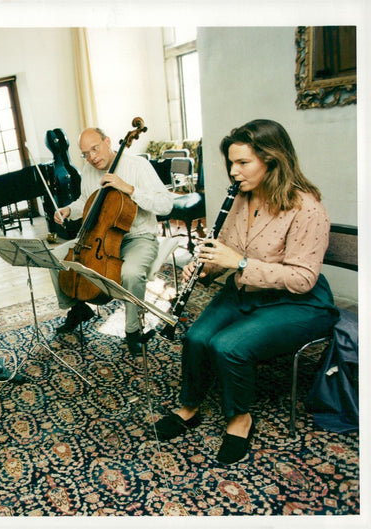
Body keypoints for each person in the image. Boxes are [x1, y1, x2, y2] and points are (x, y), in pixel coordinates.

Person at [153, 119, 339, 464]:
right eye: (231, 163)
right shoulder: (241, 197)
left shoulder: (307, 207)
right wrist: (206, 268)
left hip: (297, 302)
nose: (233, 172)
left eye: (243, 163)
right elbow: (227, 251)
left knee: (229, 346)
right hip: (245, 291)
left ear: (272, 159)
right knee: (196, 337)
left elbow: (302, 279)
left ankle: (240, 419)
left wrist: (239, 263)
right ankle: (189, 407)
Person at [51, 127, 174, 355]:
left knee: (131, 273)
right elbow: (85, 202)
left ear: (107, 141)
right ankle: (78, 309)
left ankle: (133, 330)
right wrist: (69, 209)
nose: (92, 157)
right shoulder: (88, 170)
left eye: (95, 149)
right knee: (56, 258)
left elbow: (166, 204)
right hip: (98, 237)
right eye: (85, 154)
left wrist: (129, 189)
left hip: (138, 237)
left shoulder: (138, 166)